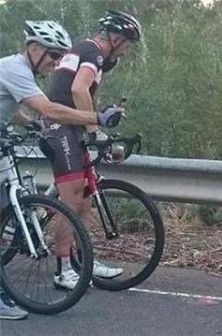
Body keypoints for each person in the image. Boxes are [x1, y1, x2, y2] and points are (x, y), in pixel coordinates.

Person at [0, 20, 123, 319]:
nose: (57, 64)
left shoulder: (20, 71)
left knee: (5, 204)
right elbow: (51, 108)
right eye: (53, 56)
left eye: (59, 57)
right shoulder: (15, 68)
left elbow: (11, 107)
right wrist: (94, 117)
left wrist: (30, 123)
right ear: (34, 49)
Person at [39, 10, 142, 290]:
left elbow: (84, 97)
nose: (127, 53)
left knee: (85, 200)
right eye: (128, 46)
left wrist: (96, 126)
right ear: (116, 38)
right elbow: (78, 90)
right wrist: (95, 131)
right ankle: (63, 270)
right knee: (71, 202)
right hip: (59, 126)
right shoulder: (95, 52)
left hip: (70, 126)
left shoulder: (87, 50)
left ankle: (82, 261)